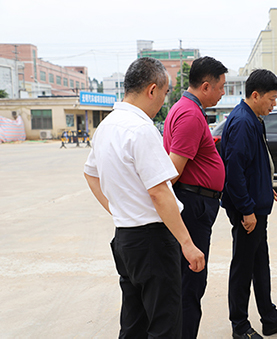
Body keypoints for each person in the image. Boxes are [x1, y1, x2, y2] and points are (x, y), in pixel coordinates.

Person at [83, 57, 205, 338]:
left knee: (133, 321)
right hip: (152, 241)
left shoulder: (106, 127)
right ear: (152, 90)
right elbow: (159, 191)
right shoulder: (141, 129)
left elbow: (90, 174)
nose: (163, 102)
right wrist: (187, 244)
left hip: (125, 238)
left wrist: (117, 210)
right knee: (165, 324)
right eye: (164, 94)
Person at [220, 69, 277, 339]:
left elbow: (255, 164)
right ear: (255, 95)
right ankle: (239, 326)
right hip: (248, 212)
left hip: (257, 205)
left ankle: (269, 318)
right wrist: (247, 210)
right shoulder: (243, 122)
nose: (274, 104)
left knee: (260, 264)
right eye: (272, 99)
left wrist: (264, 189)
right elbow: (234, 171)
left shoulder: (253, 119)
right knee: (243, 267)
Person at [163, 56, 227, 339]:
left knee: (188, 281)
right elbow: (173, 172)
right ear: (205, 86)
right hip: (193, 204)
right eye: (221, 87)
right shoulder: (190, 114)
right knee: (191, 283)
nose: (223, 92)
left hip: (196, 201)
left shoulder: (186, 108)